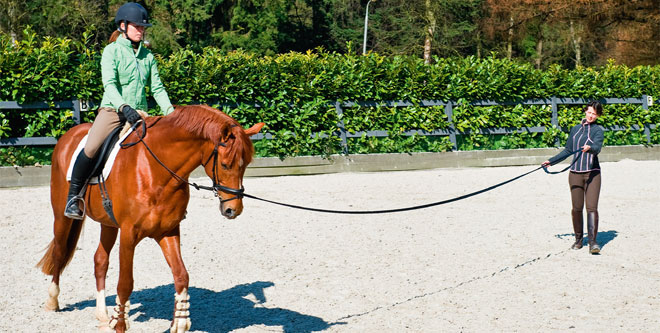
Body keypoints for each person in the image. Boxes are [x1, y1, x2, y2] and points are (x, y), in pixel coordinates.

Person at [64, 2, 175, 219]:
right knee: (91, 146)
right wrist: (124, 106)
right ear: (123, 26)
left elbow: (158, 88)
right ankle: (73, 197)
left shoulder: (148, 57)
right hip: (113, 111)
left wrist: (172, 115)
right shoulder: (111, 52)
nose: (141, 30)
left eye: (143, 27)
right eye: (137, 26)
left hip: (141, 114)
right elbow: (110, 85)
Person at [543, 100, 605, 254]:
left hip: (593, 174)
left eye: (594, 114)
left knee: (592, 208)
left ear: (598, 115)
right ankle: (578, 240)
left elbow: (597, 148)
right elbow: (568, 150)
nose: (591, 116)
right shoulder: (575, 130)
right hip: (575, 173)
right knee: (577, 208)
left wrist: (590, 148)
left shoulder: (598, 131)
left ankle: (593, 243)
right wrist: (551, 161)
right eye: (589, 112)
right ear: (585, 111)